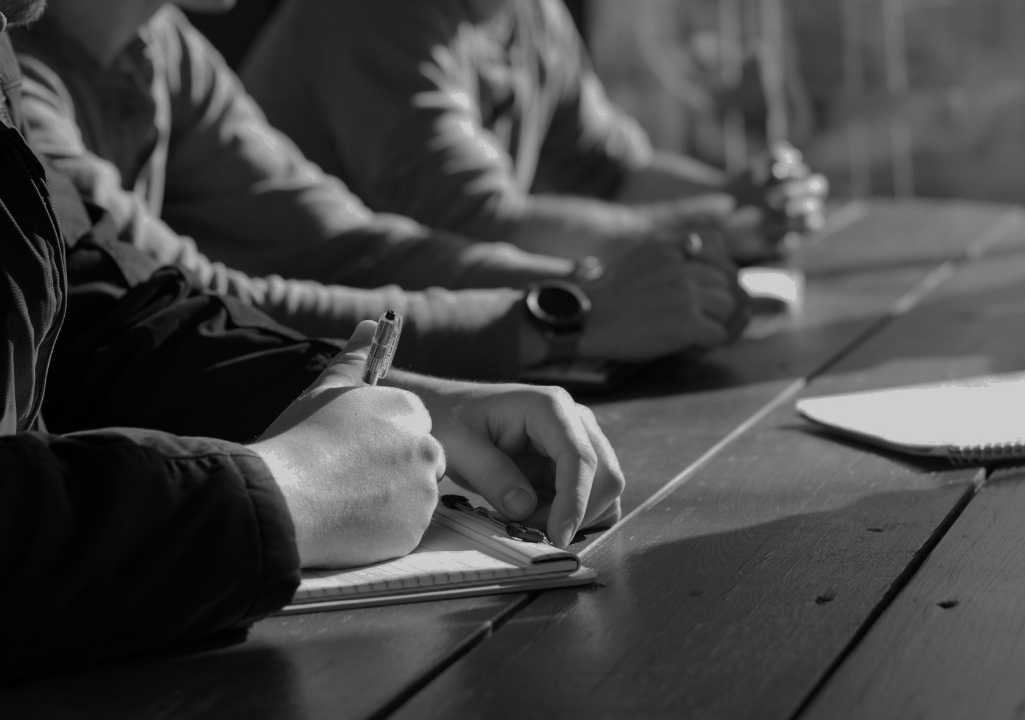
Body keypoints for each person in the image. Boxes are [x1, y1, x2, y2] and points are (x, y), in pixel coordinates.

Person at [0, 0, 623, 682]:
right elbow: (463, 215)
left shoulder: (131, 47)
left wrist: (391, 399)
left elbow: (108, 315)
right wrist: (283, 492)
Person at [11, 0, 746, 381]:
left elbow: (344, 242)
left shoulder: (162, 43)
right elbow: (193, 308)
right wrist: (560, 317)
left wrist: (575, 287)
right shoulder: (20, 91)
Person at [242, 0, 829, 263]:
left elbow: (613, 171)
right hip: (298, 351)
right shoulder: (376, 14)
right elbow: (479, 226)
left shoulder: (530, 12)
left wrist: (742, 194)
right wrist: (712, 229)